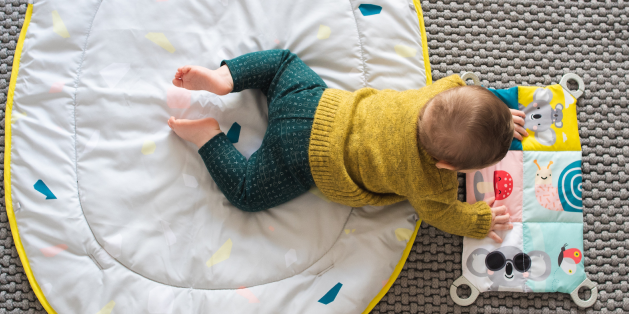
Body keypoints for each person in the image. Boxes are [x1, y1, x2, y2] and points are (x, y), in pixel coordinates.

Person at [167, 50, 527, 241]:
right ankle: (207, 137)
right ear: (448, 167)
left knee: (281, 63)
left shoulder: (443, 90)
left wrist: (497, 115)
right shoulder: (433, 186)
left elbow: (464, 93)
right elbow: (444, 215)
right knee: (247, 192)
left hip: (314, 103)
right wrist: (479, 221)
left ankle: (225, 78)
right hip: (306, 157)